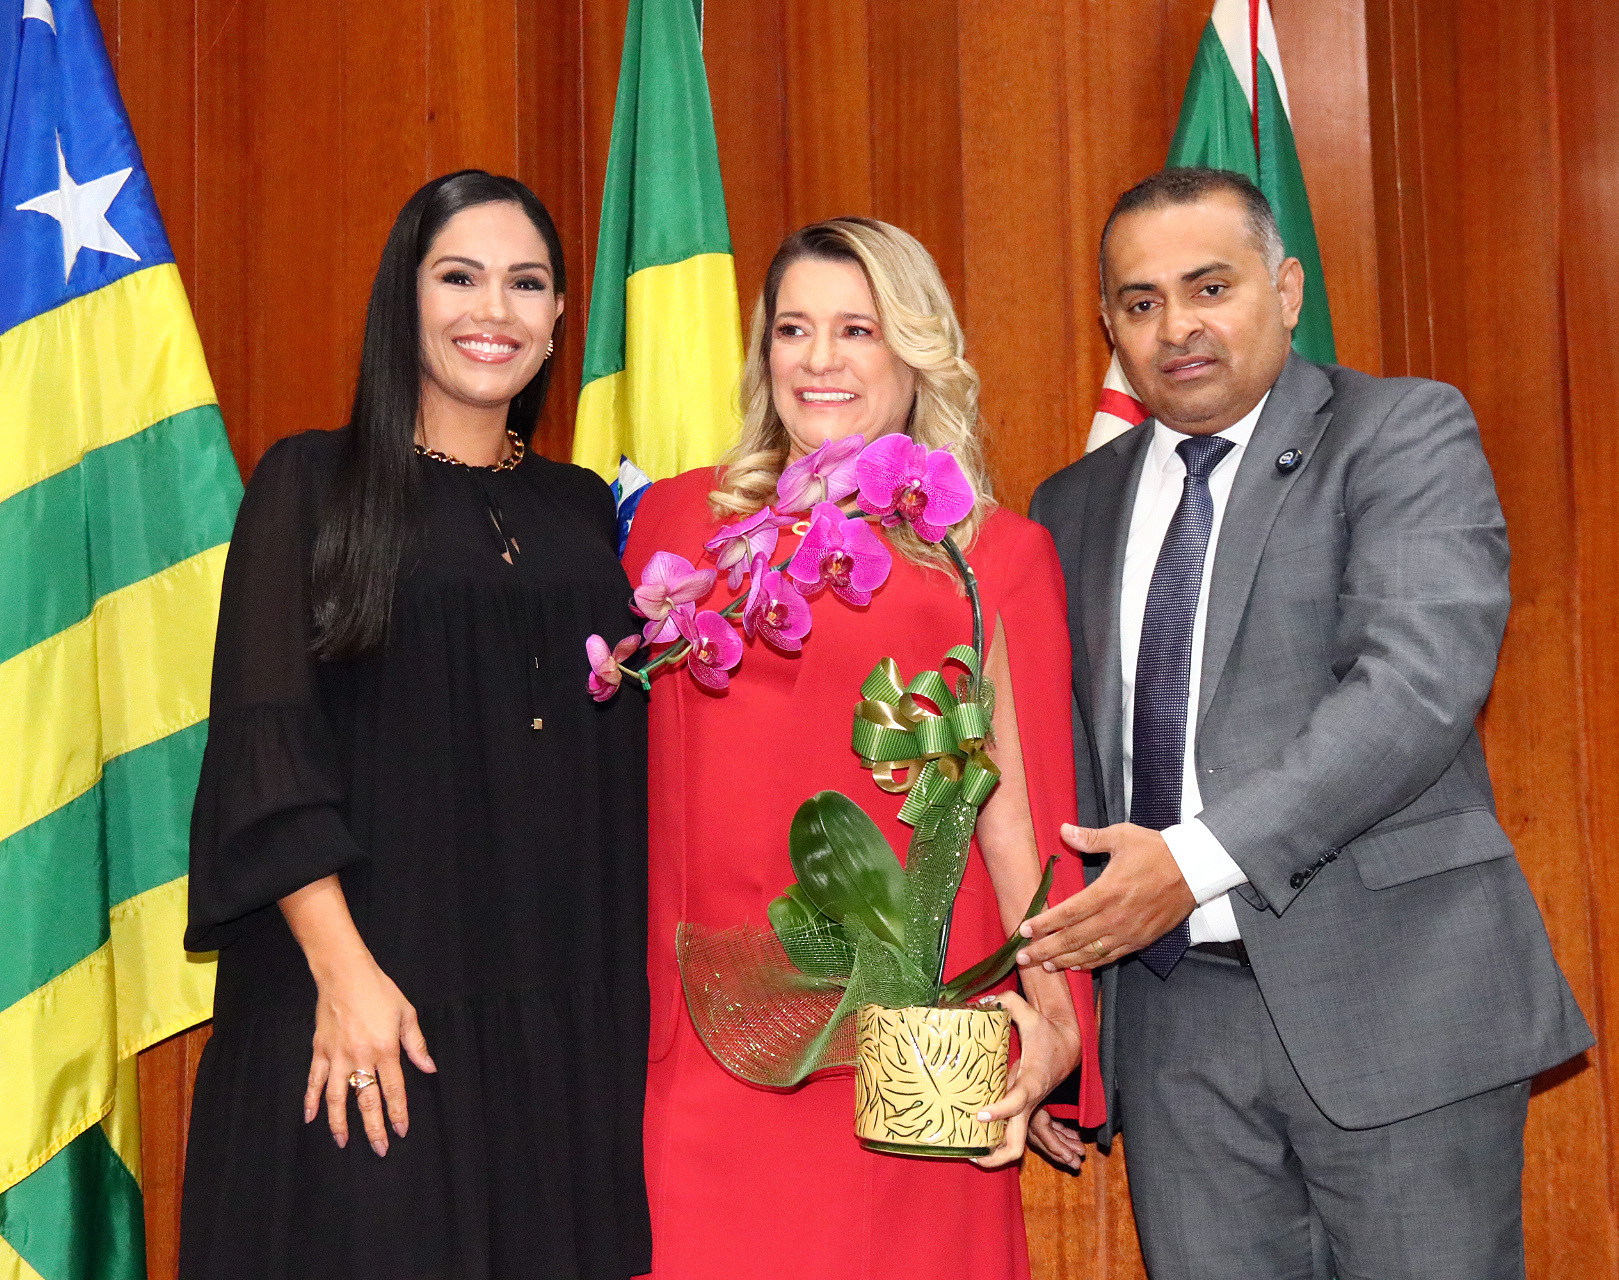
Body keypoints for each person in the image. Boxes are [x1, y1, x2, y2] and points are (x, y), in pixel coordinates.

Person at [1023, 167, 1594, 1279]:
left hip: (1399, 999)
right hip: (1172, 1029)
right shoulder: (1068, 504)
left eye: (1210, 287)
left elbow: (1415, 685)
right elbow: (1065, 770)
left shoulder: (1401, 431)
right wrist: (1061, 1015)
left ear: (1285, 290)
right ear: (1109, 326)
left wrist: (1191, 863)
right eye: (1141, 302)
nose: (1177, 326)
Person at [180, 170, 650, 1280]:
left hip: (549, 1027)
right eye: (459, 277)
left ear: (557, 318)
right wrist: (345, 976)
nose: (494, 310)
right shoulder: (311, 482)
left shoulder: (585, 509)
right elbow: (264, 743)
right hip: (364, 1005)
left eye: (526, 283)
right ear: (405, 298)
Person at [624, 216, 1104, 1280]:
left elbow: (1018, 819)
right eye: (793, 329)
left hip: (909, 1056)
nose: (819, 359)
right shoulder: (676, 522)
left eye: (857, 329)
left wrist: (1058, 1028)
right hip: (703, 1045)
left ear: (916, 348)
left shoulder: (995, 554)